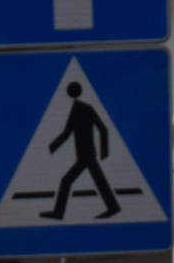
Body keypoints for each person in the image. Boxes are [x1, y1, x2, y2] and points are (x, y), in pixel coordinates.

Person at [45, 82, 122, 222]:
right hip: (86, 154)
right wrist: (103, 152)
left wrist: (51, 148)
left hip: (85, 155)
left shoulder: (79, 109)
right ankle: (113, 207)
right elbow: (101, 129)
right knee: (99, 181)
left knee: (67, 181)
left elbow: (68, 133)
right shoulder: (84, 108)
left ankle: (58, 212)